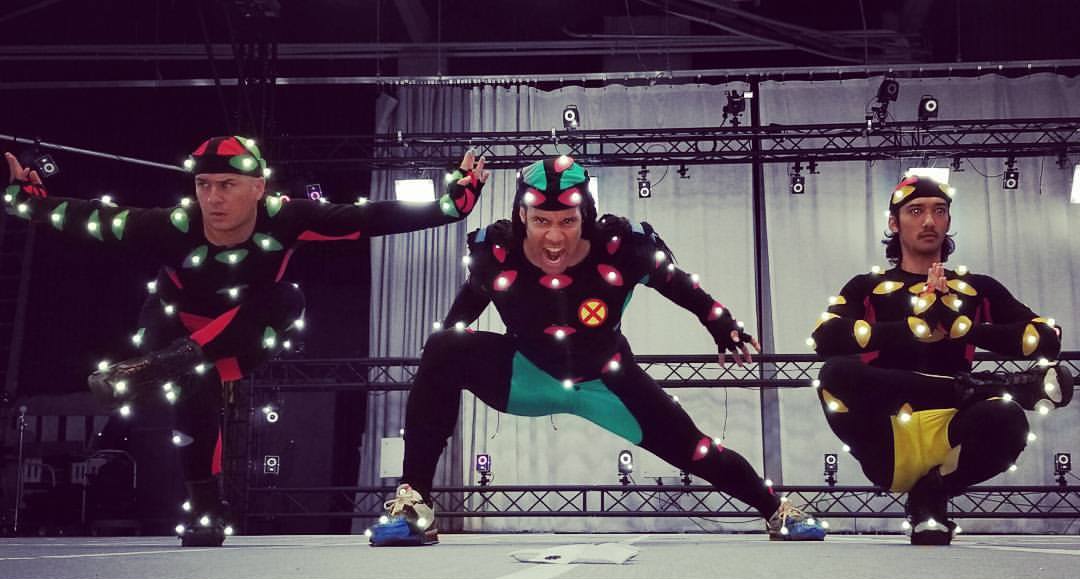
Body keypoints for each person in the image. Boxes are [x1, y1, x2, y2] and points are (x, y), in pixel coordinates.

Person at [3, 136, 487, 546]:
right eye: (204, 185)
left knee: (287, 297)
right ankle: (205, 511)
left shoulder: (286, 218)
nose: (213, 198)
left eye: (227, 185)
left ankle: (168, 366)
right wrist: (26, 200)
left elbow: (371, 218)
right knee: (195, 397)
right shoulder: (173, 226)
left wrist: (452, 205)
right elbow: (94, 218)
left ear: (258, 188)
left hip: (244, 331)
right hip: (172, 329)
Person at [368, 154, 826, 546]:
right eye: (541, 221)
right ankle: (415, 504)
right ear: (522, 216)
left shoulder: (621, 249)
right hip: (526, 375)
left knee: (698, 450)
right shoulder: (497, 254)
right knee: (442, 346)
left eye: (567, 221)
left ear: (585, 216)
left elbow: (676, 282)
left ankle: (776, 510)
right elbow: (463, 311)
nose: (554, 237)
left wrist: (720, 322)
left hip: (608, 382)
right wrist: (439, 361)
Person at [810, 176, 1073, 545]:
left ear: (949, 221)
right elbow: (825, 338)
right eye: (916, 211)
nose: (929, 221)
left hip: (956, 427)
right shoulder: (866, 286)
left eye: (939, 211)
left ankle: (931, 494)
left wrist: (963, 328)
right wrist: (912, 328)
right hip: (886, 434)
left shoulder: (976, 287)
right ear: (894, 222)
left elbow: (1047, 339)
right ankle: (984, 387)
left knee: (1009, 418)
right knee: (834, 374)